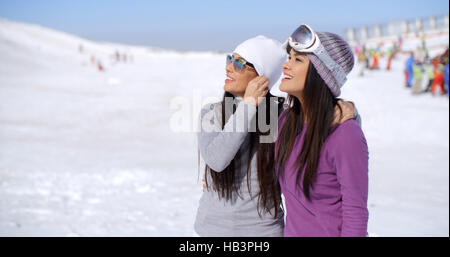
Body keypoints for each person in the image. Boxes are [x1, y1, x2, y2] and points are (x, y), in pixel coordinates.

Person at [195, 35, 359, 237]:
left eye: (239, 63)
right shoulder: (211, 113)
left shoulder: (282, 115)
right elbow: (217, 160)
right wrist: (248, 105)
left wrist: (349, 109)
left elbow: (324, 126)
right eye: (230, 59)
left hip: (264, 233)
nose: (229, 67)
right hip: (211, 231)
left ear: (262, 76)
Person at [275, 24, 369, 237]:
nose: (286, 66)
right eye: (289, 57)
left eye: (297, 60)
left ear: (322, 74)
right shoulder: (285, 121)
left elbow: (356, 213)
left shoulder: (345, 135)